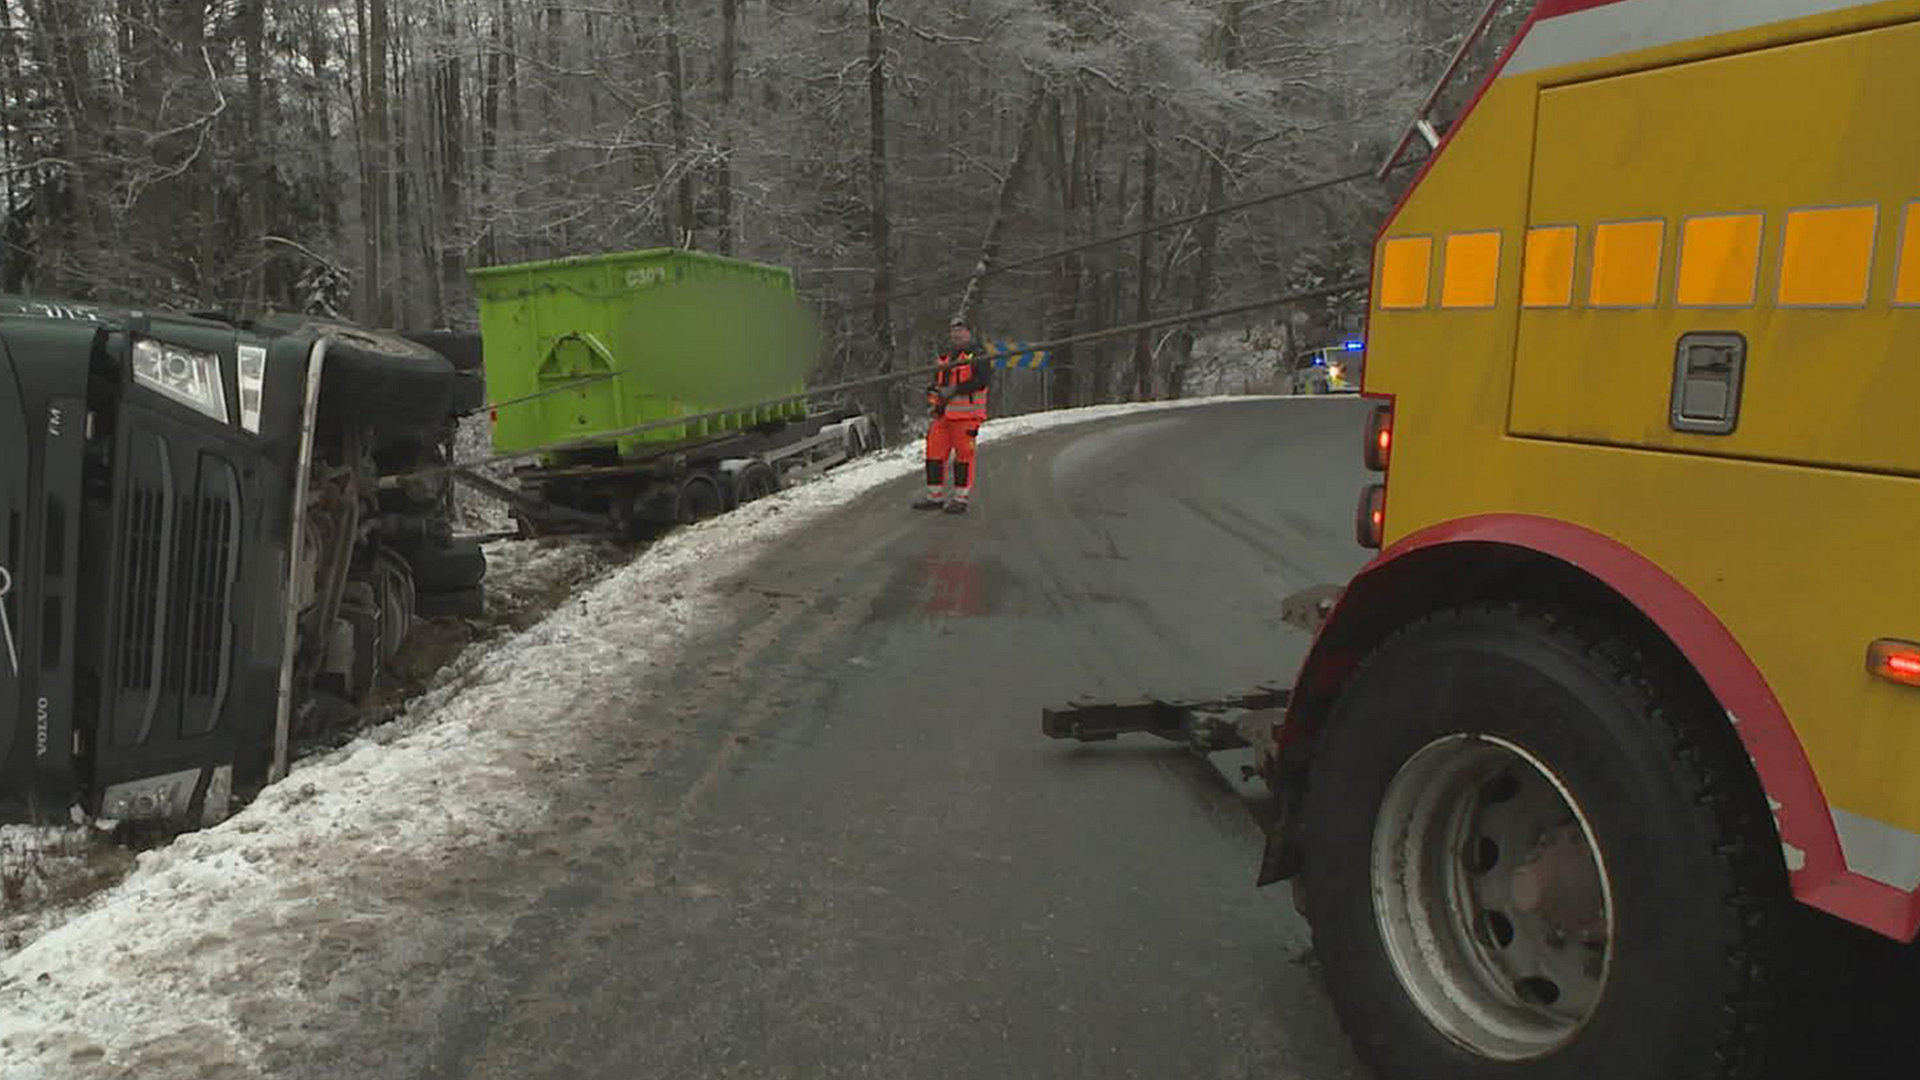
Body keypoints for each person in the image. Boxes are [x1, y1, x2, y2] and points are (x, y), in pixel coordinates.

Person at [914, 316, 990, 513]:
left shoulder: (979, 355)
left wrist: (955, 389)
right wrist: (934, 394)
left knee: (963, 458)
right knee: (934, 454)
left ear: (970, 332)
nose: (956, 334)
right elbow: (938, 382)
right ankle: (934, 496)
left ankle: (960, 499)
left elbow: (981, 381)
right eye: (954, 331)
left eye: (961, 330)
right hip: (943, 416)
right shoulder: (947, 356)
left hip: (967, 417)